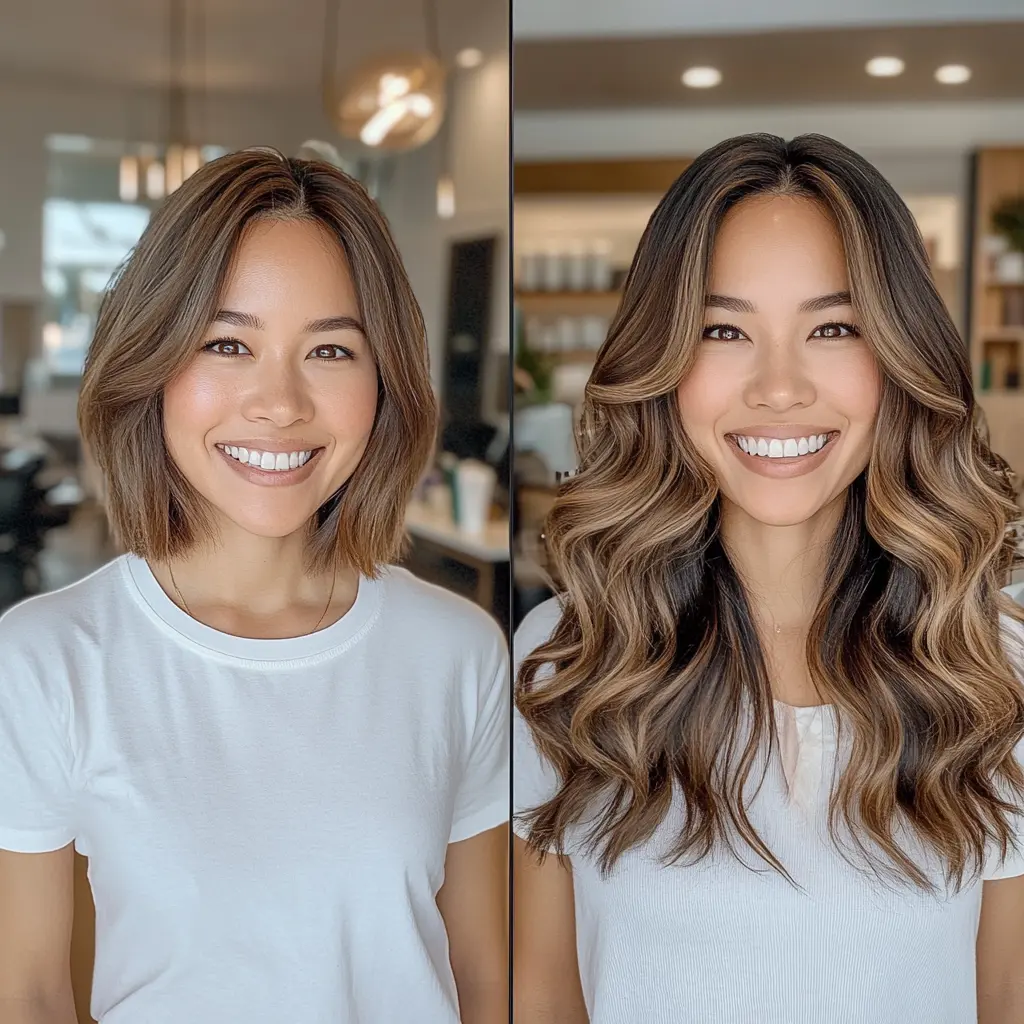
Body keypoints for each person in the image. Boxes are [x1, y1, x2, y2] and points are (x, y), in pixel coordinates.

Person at [512, 133, 1024, 1024]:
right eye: (724, 330)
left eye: (833, 329)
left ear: (900, 358)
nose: (778, 386)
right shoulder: (572, 658)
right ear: (663, 364)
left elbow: (1006, 998)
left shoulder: (993, 660)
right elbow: (543, 995)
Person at [0, 150, 508, 1024]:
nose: (280, 402)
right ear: (153, 364)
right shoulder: (47, 659)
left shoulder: (459, 651)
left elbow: (485, 983)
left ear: (383, 382)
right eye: (227, 344)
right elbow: (32, 995)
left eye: (331, 349)